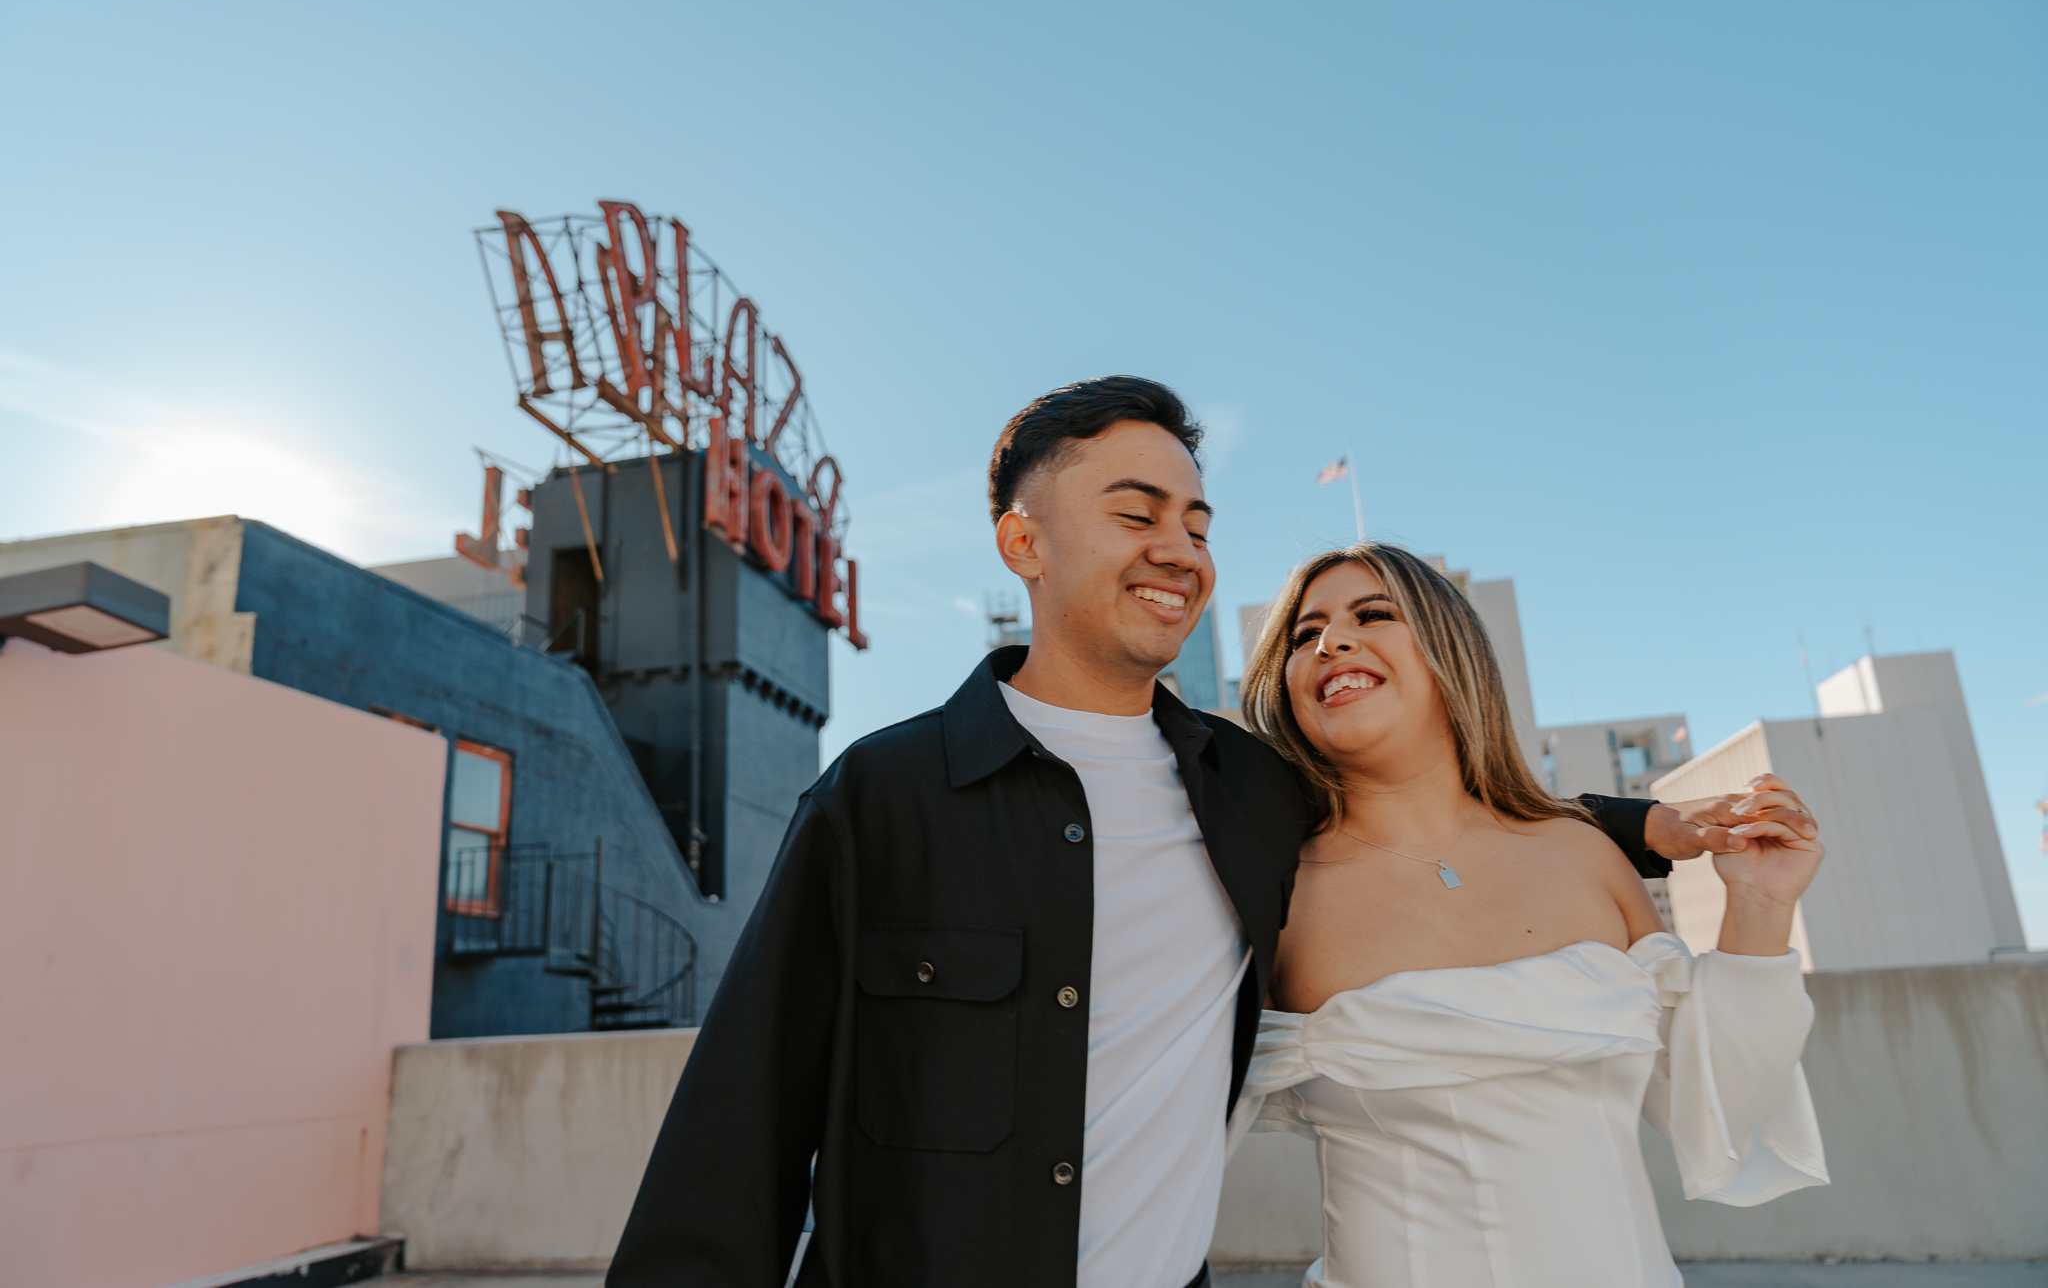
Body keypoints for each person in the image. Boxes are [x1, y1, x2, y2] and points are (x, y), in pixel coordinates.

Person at [605, 377, 1820, 1288]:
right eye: (1135, 514)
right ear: (1021, 544)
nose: (1177, 549)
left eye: (1195, 521)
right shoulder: (882, 795)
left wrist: (1657, 824)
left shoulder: (1244, 792)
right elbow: (739, 1123)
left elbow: (1446, 811)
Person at [1235, 542, 1829, 1288]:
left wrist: (1761, 902)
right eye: (1303, 633)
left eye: (1374, 613)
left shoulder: (1585, 855)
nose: (1331, 642)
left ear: (1452, 653)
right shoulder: (1270, 894)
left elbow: (1716, 1100)